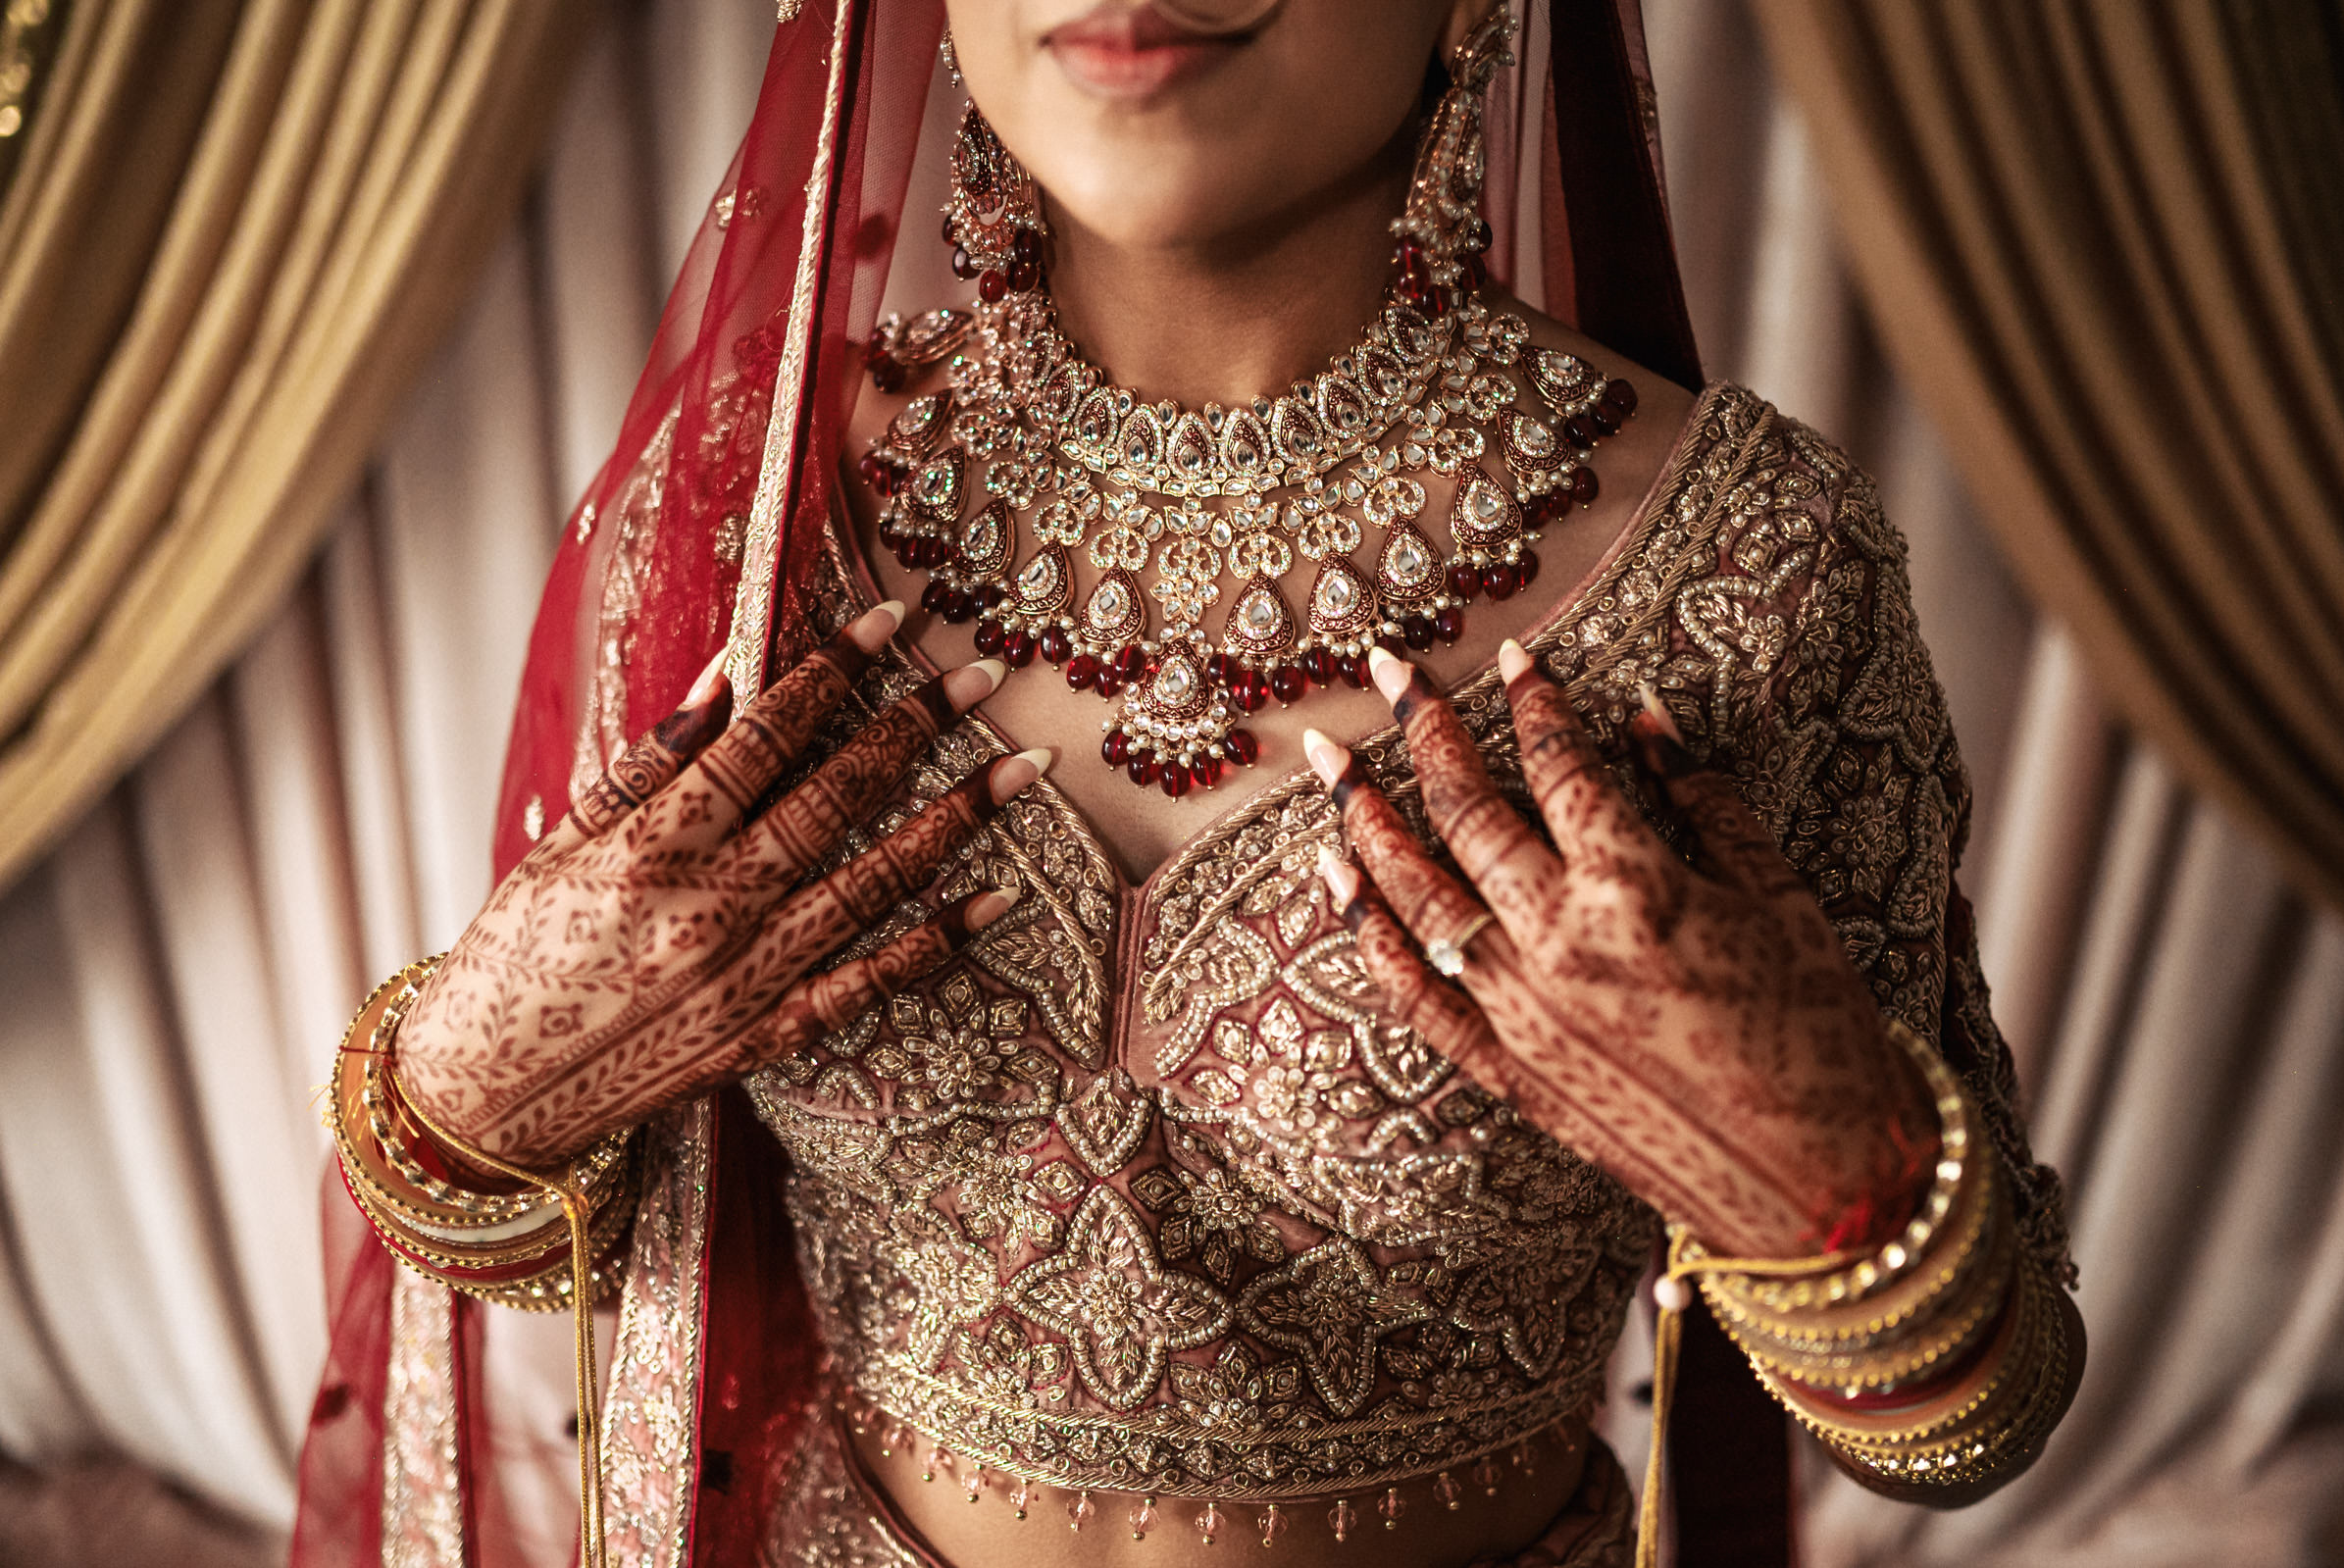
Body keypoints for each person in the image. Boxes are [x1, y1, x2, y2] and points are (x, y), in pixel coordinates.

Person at [298, 4, 2083, 1567]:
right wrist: (459, 1097)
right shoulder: (755, 530)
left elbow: (1981, 1416)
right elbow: (544, 1217)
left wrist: (1825, 1173)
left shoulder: (1741, 569)